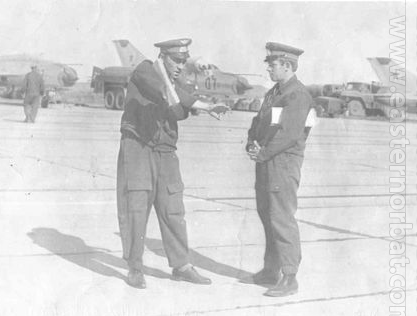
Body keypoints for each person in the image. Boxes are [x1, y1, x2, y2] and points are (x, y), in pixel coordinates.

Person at [116, 38, 228, 289]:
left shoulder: (176, 83)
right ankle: (135, 267)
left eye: (183, 61)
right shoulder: (145, 69)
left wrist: (209, 107)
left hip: (165, 151)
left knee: (173, 208)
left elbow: (179, 108)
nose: (180, 66)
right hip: (138, 148)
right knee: (136, 208)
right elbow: (164, 92)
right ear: (162, 57)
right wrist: (170, 80)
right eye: (176, 60)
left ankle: (182, 266)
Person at [242, 42, 315, 297]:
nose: (269, 69)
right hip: (267, 161)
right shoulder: (276, 92)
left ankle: (290, 276)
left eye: (272, 65)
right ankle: (270, 270)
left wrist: (262, 152)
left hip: (282, 164)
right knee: (267, 215)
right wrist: (252, 142)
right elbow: (260, 121)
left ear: (286, 65)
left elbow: (288, 134)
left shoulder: (297, 95)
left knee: (281, 218)